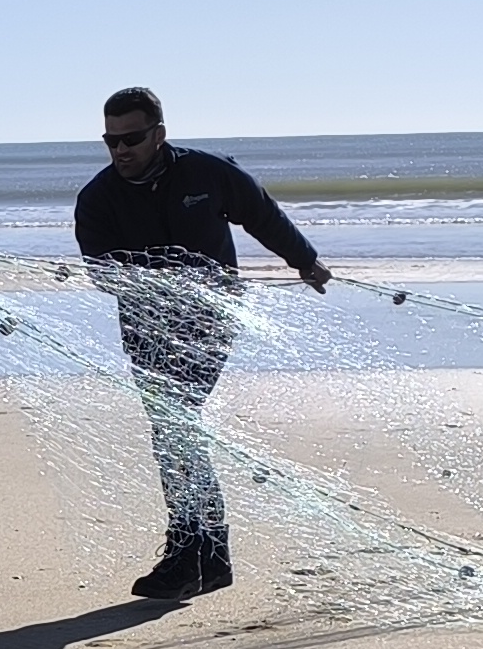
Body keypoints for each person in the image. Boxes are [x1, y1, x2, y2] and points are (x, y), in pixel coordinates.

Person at [69, 86, 326, 600]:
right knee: (173, 431)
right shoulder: (97, 198)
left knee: (176, 426)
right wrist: (154, 282)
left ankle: (194, 552)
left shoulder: (207, 173)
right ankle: (208, 554)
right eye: (111, 140)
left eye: (132, 138)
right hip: (145, 331)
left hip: (210, 319)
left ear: (159, 134)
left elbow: (261, 214)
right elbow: (101, 271)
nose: (120, 150)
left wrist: (304, 259)